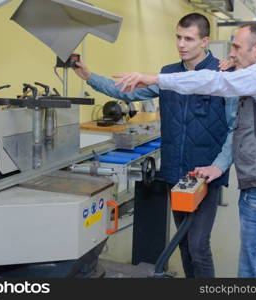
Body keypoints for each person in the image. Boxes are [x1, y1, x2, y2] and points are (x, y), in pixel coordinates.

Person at [114, 22, 256, 278]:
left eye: (236, 46)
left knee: (255, 269)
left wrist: (155, 78)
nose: (231, 53)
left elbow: (214, 82)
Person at [73, 13, 237, 278]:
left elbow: (234, 127)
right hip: (175, 171)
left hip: (205, 173)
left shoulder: (224, 74)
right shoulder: (167, 74)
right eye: (178, 37)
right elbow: (126, 91)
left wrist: (219, 166)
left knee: (198, 244)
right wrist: (89, 76)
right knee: (182, 242)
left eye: (189, 39)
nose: (181, 44)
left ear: (205, 41)